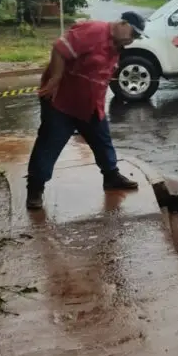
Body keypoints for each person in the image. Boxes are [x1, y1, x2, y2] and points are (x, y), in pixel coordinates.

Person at [25, 11, 148, 210]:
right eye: (132, 34)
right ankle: (35, 190)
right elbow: (60, 48)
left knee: (103, 141)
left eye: (136, 37)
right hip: (61, 103)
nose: (132, 40)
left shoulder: (116, 46)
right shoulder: (94, 30)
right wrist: (55, 77)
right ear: (122, 22)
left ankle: (111, 177)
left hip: (90, 104)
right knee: (49, 144)